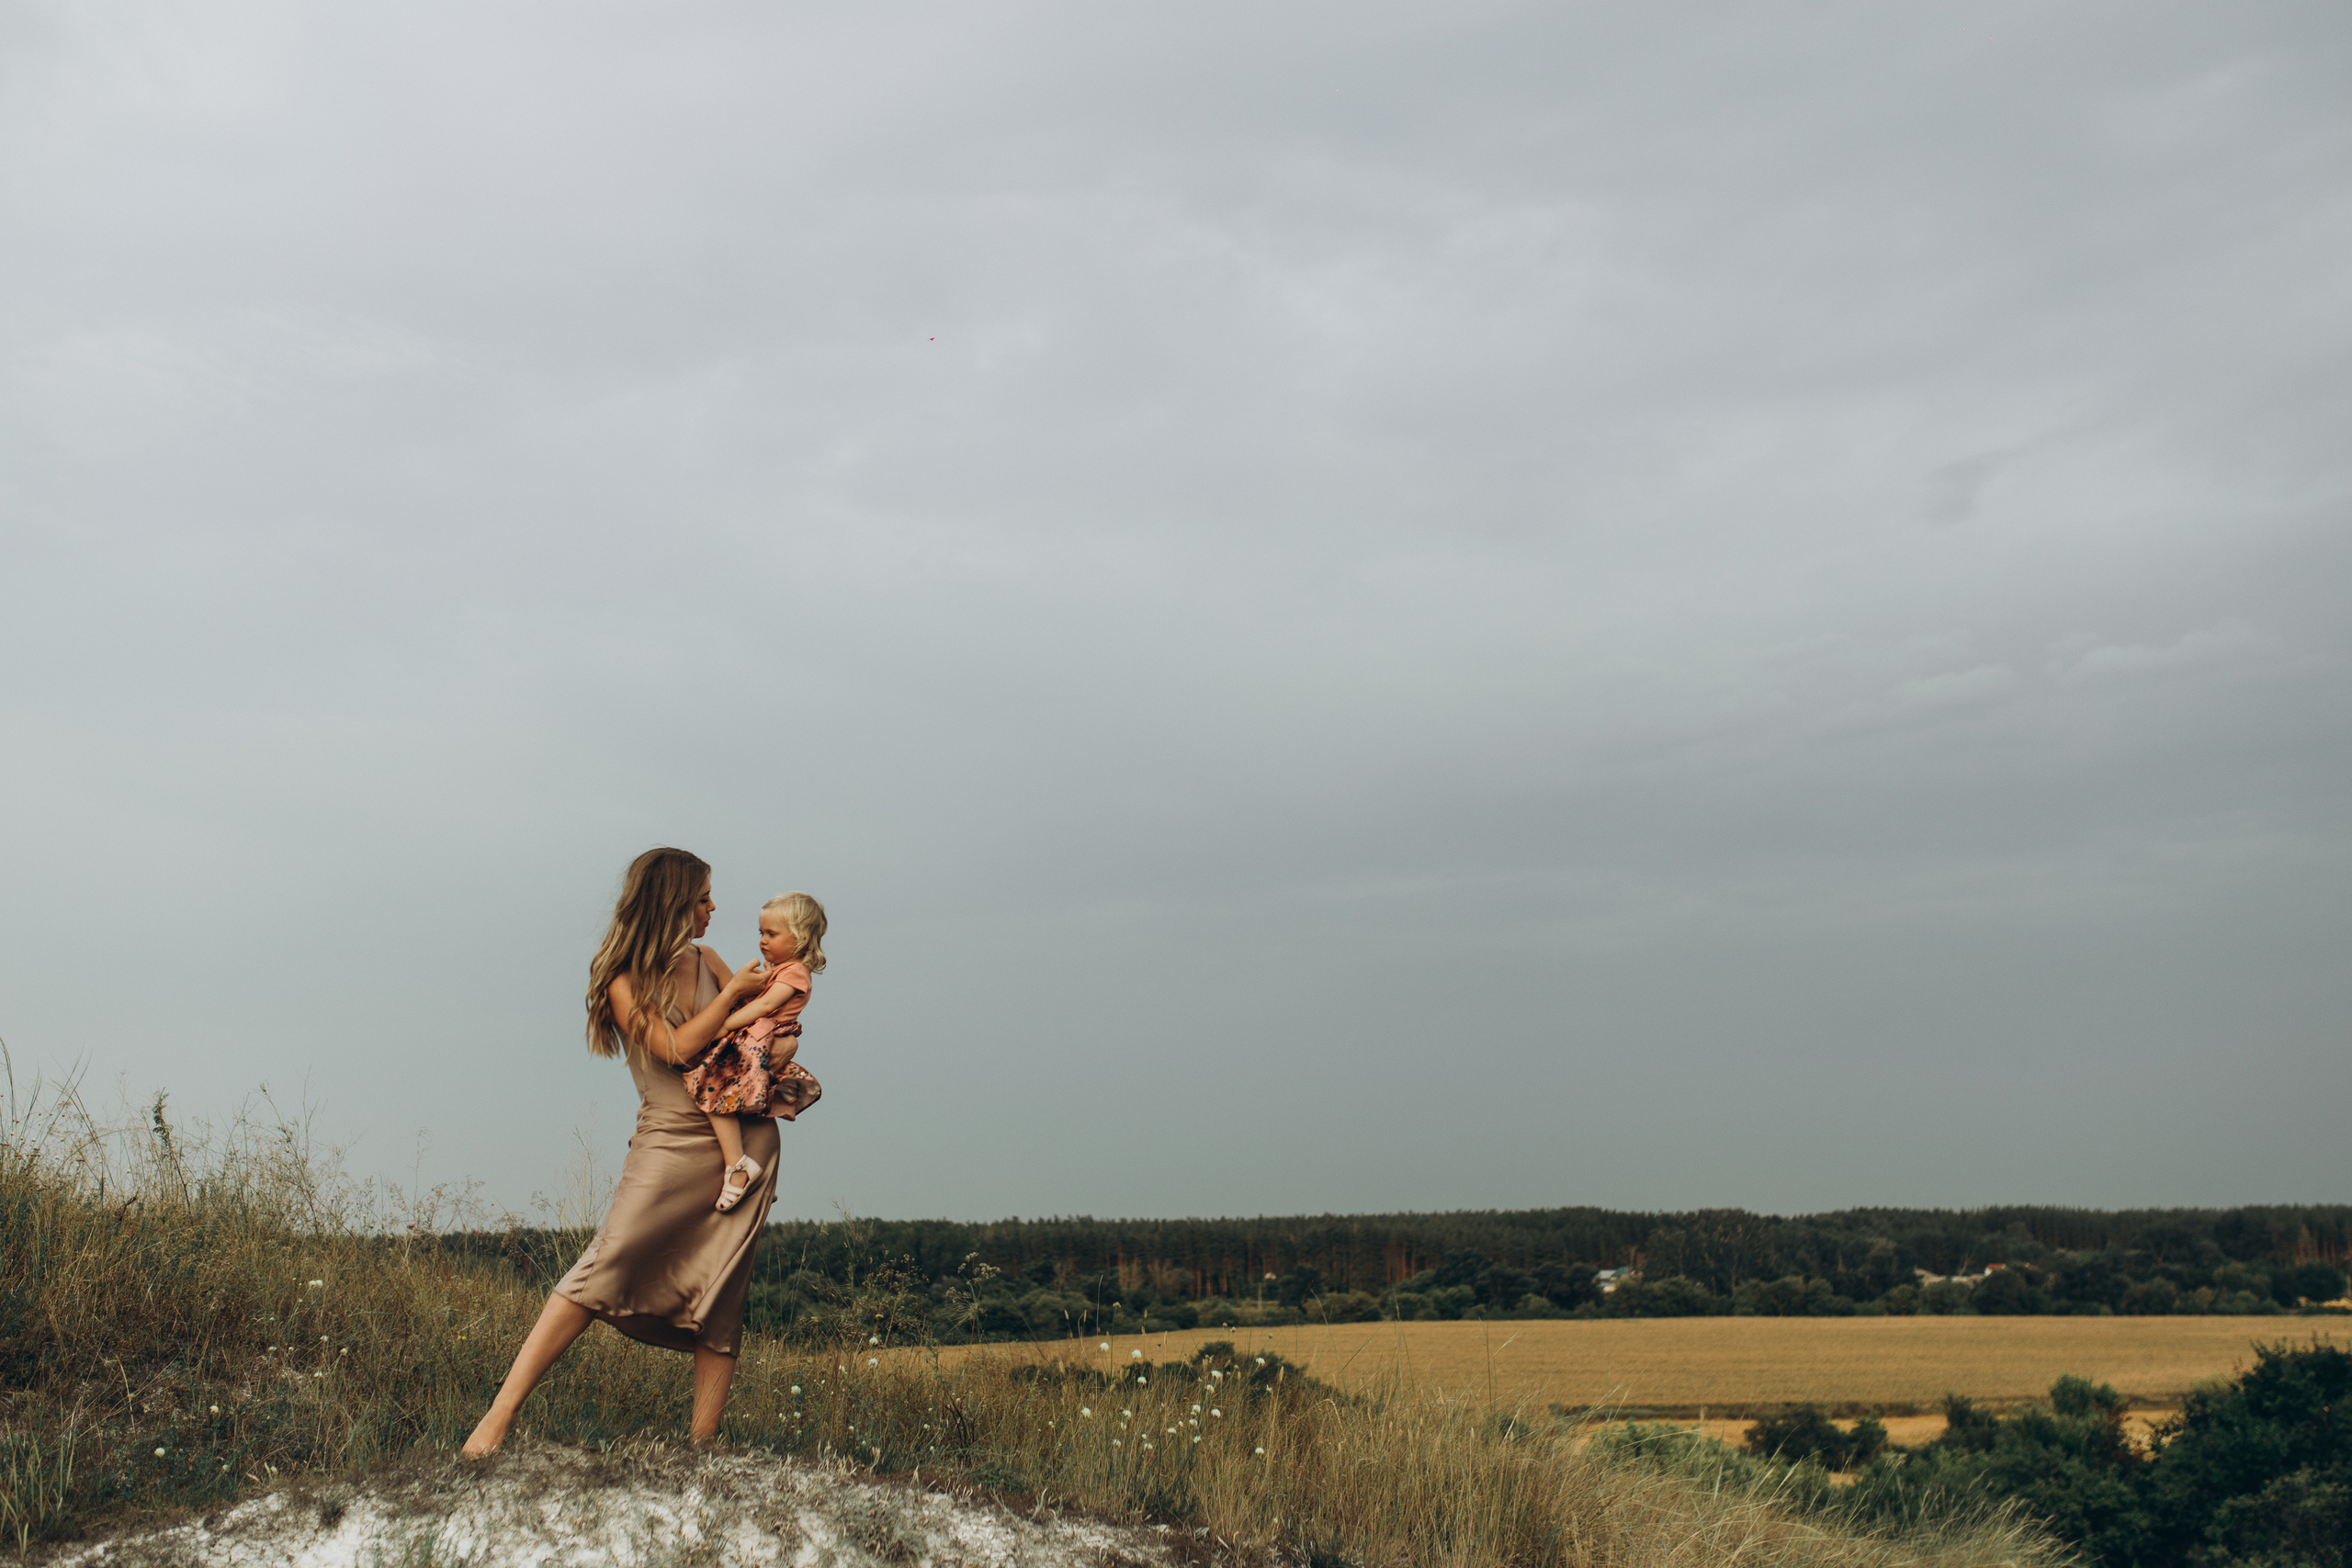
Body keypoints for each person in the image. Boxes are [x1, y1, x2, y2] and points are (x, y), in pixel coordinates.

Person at [462, 847, 777, 1456]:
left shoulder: (708, 959)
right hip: (668, 1142)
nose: (714, 908)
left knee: (723, 1289)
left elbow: (750, 1042)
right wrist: (734, 991)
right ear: (673, 902)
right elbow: (678, 1048)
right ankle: (494, 1423)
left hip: (743, 1142)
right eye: (703, 897)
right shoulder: (623, 982)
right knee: (600, 1268)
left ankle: (702, 1448)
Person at [686, 892, 829, 1211]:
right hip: (755, 1039)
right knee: (731, 1103)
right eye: (761, 933)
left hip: (757, 1043)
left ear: (802, 938)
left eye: (772, 934)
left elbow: (764, 1005)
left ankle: (738, 1167)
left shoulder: (793, 973)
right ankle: (754, 1175)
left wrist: (723, 1024)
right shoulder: (777, 969)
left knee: (713, 1092)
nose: (763, 941)